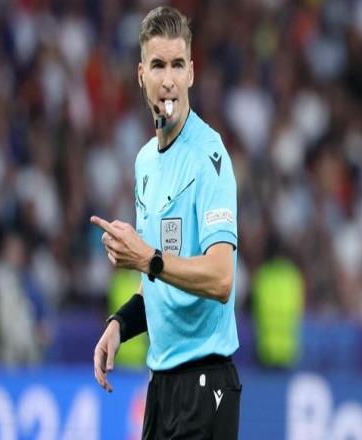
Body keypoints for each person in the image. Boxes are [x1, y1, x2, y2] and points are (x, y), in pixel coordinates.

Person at [91, 6, 241, 439]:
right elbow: (160, 278)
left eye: (178, 64)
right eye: (158, 65)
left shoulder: (209, 157)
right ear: (141, 75)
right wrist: (120, 324)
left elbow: (221, 277)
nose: (168, 79)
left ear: (192, 73)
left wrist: (147, 258)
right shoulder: (145, 163)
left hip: (206, 384)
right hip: (161, 386)